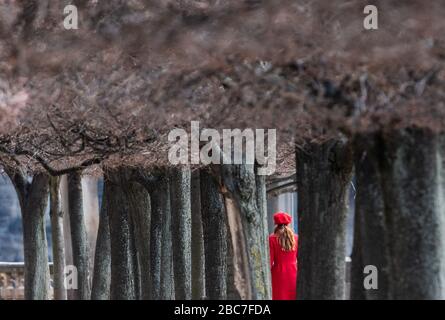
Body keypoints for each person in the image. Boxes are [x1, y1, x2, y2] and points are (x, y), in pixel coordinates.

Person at [269, 212, 298, 300]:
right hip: (293, 273)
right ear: (288, 224)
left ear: (276, 224)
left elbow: (270, 261)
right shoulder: (296, 238)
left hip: (278, 274)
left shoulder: (272, 239)